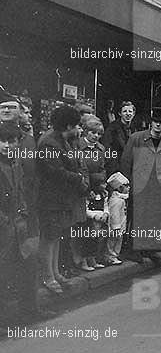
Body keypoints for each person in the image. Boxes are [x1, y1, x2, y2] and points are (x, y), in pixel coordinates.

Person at [36, 105, 89, 293]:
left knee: (55, 236)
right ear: (68, 125)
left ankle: (55, 273)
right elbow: (56, 172)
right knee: (49, 238)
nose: (79, 129)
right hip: (51, 200)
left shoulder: (60, 139)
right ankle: (48, 277)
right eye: (77, 125)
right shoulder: (49, 142)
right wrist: (78, 178)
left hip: (60, 199)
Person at [120, 107, 161, 252]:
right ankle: (134, 249)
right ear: (151, 123)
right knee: (137, 217)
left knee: (153, 217)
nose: (158, 125)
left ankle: (149, 248)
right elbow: (126, 162)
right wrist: (129, 183)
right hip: (139, 185)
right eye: (155, 122)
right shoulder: (136, 138)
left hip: (158, 186)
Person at [0, 122, 40, 321]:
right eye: (2, 141)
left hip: (18, 226)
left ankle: (30, 312)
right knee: (2, 273)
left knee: (29, 266)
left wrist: (23, 214)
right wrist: (5, 223)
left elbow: (21, 192)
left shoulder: (16, 164)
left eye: (11, 141)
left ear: (17, 143)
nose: (6, 145)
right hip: (4, 228)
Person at [75, 115, 108, 271]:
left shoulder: (100, 149)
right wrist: (89, 186)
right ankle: (82, 260)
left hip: (97, 191)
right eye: (93, 132)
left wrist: (102, 183)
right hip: (84, 191)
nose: (96, 136)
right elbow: (81, 170)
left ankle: (92, 257)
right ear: (85, 132)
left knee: (96, 227)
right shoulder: (78, 147)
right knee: (85, 227)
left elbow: (102, 169)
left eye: (99, 134)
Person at [102, 101, 136, 176]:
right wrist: (114, 170)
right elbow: (107, 150)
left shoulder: (135, 129)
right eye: (124, 111)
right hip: (117, 168)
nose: (128, 114)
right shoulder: (112, 128)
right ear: (120, 114)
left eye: (130, 111)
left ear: (133, 114)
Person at [104, 172, 128, 265]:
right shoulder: (116, 201)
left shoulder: (121, 199)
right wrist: (116, 226)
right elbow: (114, 215)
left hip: (121, 224)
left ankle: (115, 255)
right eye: (126, 186)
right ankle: (111, 256)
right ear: (119, 188)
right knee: (113, 241)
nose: (128, 188)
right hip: (116, 226)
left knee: (118, 241)